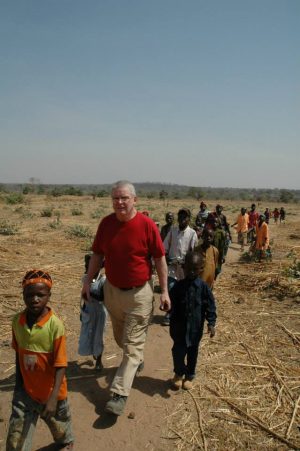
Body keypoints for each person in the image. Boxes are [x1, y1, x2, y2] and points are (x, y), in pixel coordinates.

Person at [82, 180, 170, 416]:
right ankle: (135, 358)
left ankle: (119, 394)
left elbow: (160, 259)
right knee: (121, 339)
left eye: (124, 198)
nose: (119, 203)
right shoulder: (106, 224)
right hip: (112, 292)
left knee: (131, 347)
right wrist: (87, 282)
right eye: (115, 198)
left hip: (139, 294)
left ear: (134, 200)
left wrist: (165, 291)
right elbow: (97, 254)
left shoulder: (147, 225)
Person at [6, 270, 74, 451]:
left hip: (52, 394)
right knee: (16, 439)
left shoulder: (55, 326)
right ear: (23, 296)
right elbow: (18, 355)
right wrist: (18, 387)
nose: (35, 299)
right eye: (29, 295)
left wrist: (52, 399)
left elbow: (61, 365)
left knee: (60, 429)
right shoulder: (17, 322)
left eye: (40, 295)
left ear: (49, 296)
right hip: (25, 391)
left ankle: (67, 442)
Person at [169, 251, 217, 390]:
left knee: (192, 353)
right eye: (188, 268)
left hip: (195, 329)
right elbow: (170, 304)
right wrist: (167, 307)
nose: (191, 272)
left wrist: (211, 323)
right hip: (179, 328)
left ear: (201, 269)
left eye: (195, 269)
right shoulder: (178, 287)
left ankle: (189, 376)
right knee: (177, 351)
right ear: (183, 267)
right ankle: (178, 374)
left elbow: (210, 306)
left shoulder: (203, 288)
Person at [162, 208, 198, 325]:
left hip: (184, 269)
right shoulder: (172, 231)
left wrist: (186, 262)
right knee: (171, 289)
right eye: (181, 216)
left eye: (185, 217)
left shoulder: (192, 234)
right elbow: (164, 248)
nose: (182, 219)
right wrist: (166, 258)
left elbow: (193, 253)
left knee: (184, 292)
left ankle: (182, 314)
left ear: (189, 219)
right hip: (172, 268)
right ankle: (169, 313)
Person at [78, 254, 107, 371]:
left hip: (100, 313)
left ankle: (99, 360)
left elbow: (102, 297)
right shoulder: (85, 278)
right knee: (88, 334)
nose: (88, 269)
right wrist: (83, 311)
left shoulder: (103, 280)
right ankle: (93, 352)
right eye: (86, 266)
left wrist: (88, 292)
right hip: (89, 311)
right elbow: (84, 298)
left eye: (91, 266)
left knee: (99, 337)